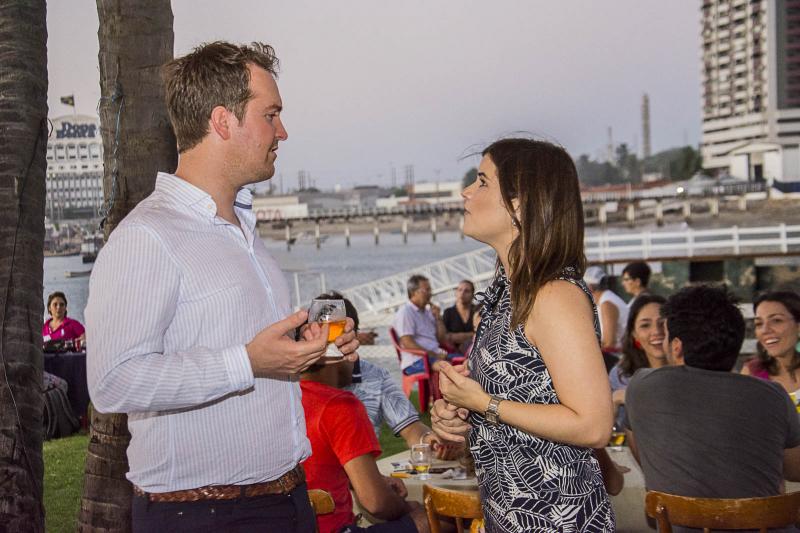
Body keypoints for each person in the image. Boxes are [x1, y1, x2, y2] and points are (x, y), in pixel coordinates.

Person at [85, 42, 358, 532]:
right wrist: (247, 362)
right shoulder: (149, 235)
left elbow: (240, 346)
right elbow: (114, 381)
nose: (282, 131)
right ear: (222, 121)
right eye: (270, 115)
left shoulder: (243, 230)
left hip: (287, 499)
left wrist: (303, 350)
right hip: (203, 515)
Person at [431, 138, 614, 532]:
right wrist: (460, 414)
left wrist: (485, 403)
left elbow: (594, 425)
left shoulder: (554, 296)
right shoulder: (506, 295)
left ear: (520, 204)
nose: (466, 191)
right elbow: (525, 412)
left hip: (557, 520)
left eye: (482, 181)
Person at [626, 285, 800, 532]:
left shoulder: (641, 387)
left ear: (676, 346)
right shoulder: (773, 395)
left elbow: (645, 454)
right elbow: (794, 470)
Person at [316, 291, 459, 459]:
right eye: (323, 334)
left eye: (337, 334)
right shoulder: (296, 380)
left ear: (354, 336)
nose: (331, 342)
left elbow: (411, 428)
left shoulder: (375, 376)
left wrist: (429, 440)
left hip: (363, 471)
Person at [300, 358, 429, 533]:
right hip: (333, 528)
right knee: (440, 518)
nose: (355, 359)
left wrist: (367, 480)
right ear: (333, 355)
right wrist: (407, 508)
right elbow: (377, 503)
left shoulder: (281, 397)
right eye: (350, 350)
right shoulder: (340, 404)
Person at [608, 294, 667, 429]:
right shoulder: (621, 375)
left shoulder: (693, 371)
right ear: (634, 334)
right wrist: (615, 400)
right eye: (645, 325)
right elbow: (608, 430)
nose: (656, 331)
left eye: (662, 323)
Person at [392, 274, 460, 375]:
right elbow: (407, 343)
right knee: (451, 368)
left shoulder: (427, 312)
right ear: (413, 292)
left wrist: (438, 318)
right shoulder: (406, 312)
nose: (430, 293)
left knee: (467, 362)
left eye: (430, 290)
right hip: (416, 360)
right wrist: (433, 355)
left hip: (434, 355)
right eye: (426, 290)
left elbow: (441, 339)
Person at [741, 290, 800, 397]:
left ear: (798, 326)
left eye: (776, 320)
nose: (765, 330)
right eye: (759, 323)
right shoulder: (752, 373)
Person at [584, 265, 629, 351]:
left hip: (616, 354)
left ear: (589, 287)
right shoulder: (605, 300)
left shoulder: (607, 304)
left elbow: (609, 343)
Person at [441, 280, 477, 353]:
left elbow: (484, 333)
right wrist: (472, 335)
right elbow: (445, 337)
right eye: (460, 290)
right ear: (456, 292)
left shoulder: (477, 311)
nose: (462, 293)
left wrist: (455, 336)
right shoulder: (448, 312)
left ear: (472, 295)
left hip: (476, 349)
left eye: (467, 291)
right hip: (455, 353)